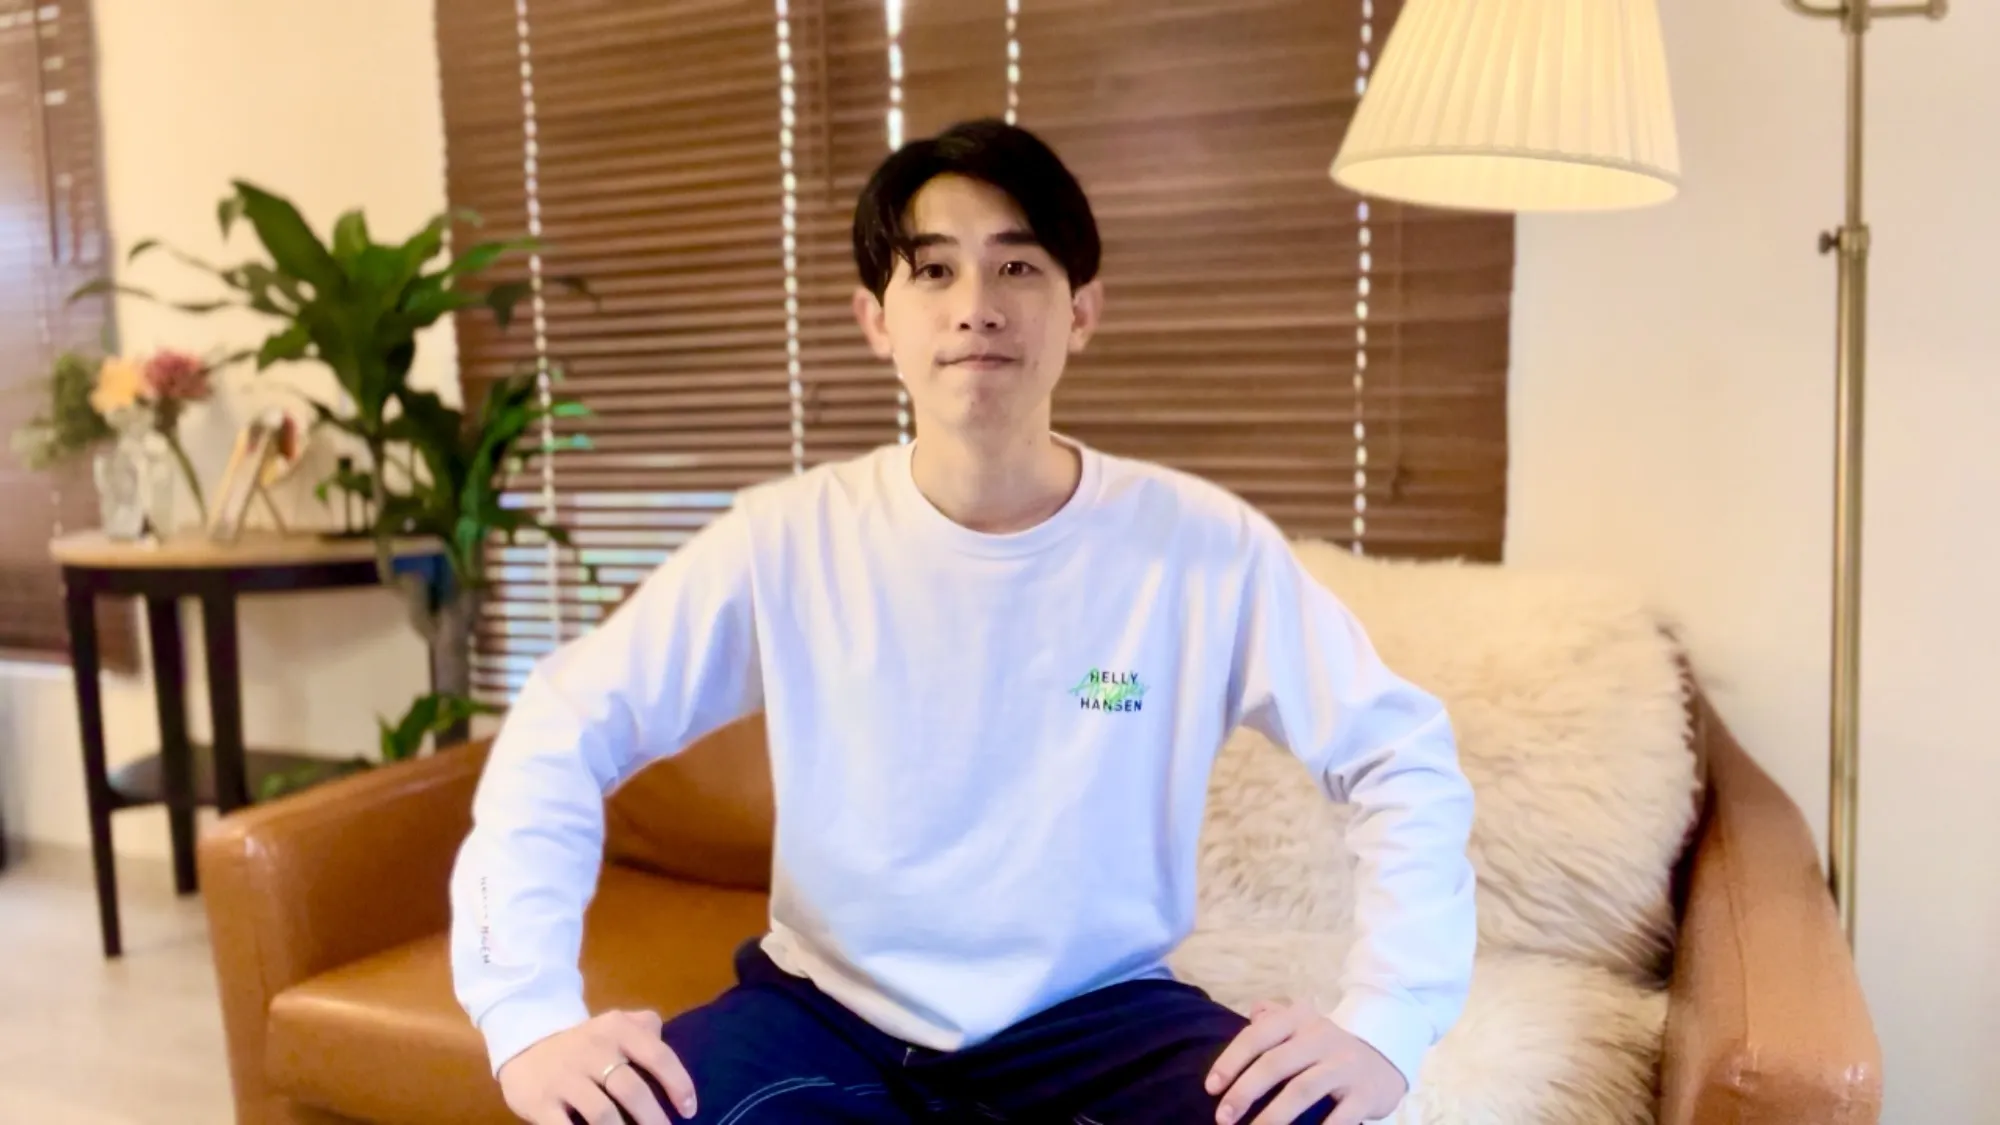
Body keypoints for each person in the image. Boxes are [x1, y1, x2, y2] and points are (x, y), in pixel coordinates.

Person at [449, 118, 1477, 1125]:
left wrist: (1387, 1019)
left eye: (1017, 268)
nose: (976, 307)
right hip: (824, 1014)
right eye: (933, 271)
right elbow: (564, 724)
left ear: (1081, 311)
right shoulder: (787, 539)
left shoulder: (1200, 547)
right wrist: (526, 1015)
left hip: (1099, 1019)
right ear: (876, 320)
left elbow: (1398, 755)